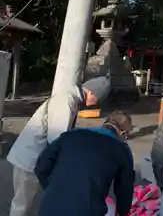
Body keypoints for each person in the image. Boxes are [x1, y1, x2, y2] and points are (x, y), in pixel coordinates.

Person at [7, 76, 112, 216]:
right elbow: (57, 138)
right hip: (30, 158)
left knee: (27, 204)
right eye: (97, 101)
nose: (95, 105)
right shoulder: (66, 101)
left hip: (35, 157)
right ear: (92, 93)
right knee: (21, 206)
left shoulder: (70, 99)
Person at [34, 111, 135, 216]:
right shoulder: (122, 150)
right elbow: (125, 189)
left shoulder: (70, 136)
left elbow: (41, 167)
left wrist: (54, 190)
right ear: (123, 133)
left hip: (50, 207)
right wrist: (123, 212)